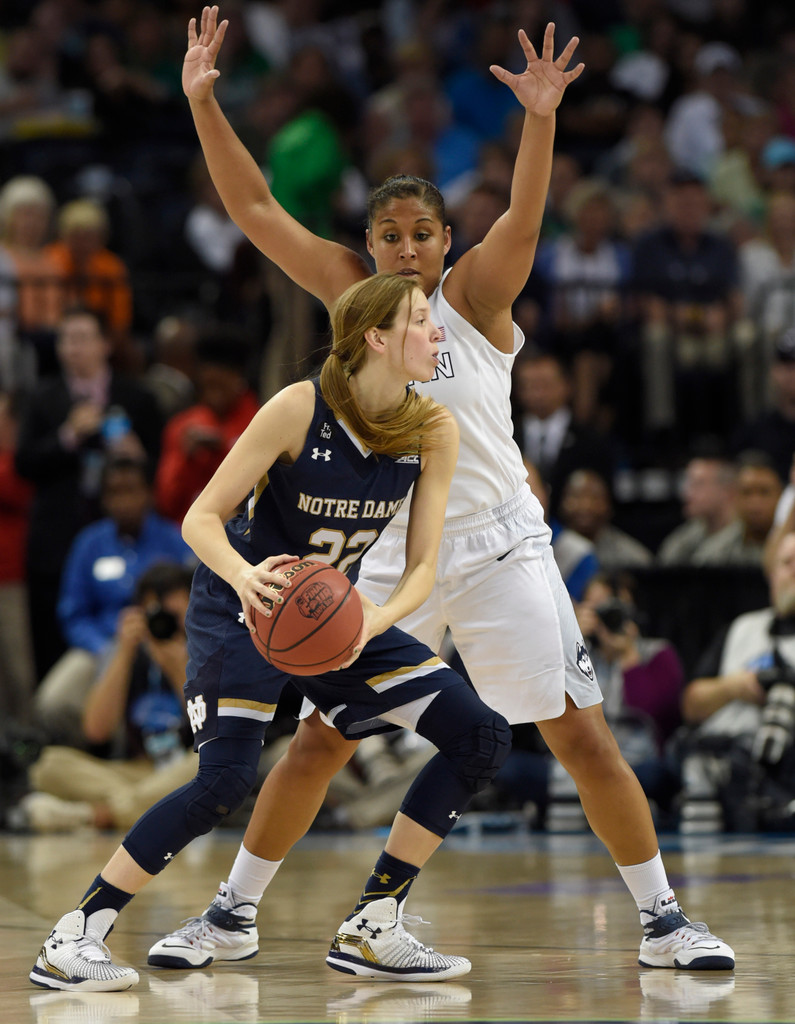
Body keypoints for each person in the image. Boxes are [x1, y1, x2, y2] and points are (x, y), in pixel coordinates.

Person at [150, 6, 733, 977]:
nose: (407, 249)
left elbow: (530, 217)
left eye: (423, 233)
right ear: (370, 243)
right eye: (390, 234)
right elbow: (255, 211)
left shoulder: (475, 298)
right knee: (323, 744)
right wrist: (204, 102)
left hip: (499, 545)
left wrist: (541, 119)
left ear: (445, 238)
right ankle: (231, 913)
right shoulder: (345, 292)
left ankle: (665, 920)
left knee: (580, 735)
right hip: (385, 553)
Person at [30, 270, 512, 991]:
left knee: (480, 733)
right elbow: (200, 517)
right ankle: (75, 935)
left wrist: (372, 620)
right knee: (223, 781)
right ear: (376, 337)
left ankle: (374, 922)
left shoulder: (430, 424)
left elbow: (421, 567)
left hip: (334, 613)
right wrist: (243, 577)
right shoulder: (297, 407)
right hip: (242, 606)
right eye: (420, 320)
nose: (437, 331)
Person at [15, 307, 163, 678]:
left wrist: (136, 456)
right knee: (52, 637)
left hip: (123, 534)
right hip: (57, 535)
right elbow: (23, 463)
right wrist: (68, 437)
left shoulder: (136, 396)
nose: (72, 348)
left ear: (105, 344)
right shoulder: (42, 396)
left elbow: (159, 463)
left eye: (81, 338)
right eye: (65, 339)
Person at [14, 562, 199, 834]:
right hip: (135, 772)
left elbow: (210, 727)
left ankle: (93, 815)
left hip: (184, 766)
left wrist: (176, 666)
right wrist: (123, 653)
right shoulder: (129, 654)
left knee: (206, 765)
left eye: (172, 615)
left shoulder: (207, 652)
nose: (163, 624)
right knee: (48, 764)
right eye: (154, 615)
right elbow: (96, 731)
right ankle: (142, 806)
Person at [33, 456, 193, 748]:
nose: (124, 501)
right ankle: (103, 755)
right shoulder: (89, 543)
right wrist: (105, 647)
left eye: (131, 490)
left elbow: (194, 601)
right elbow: (73, 613)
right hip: (105, 641)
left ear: (148, 492)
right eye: (114, 493)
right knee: (52, 701)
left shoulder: (175, 538)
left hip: (168, 638)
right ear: (103, 499)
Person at [678, 531, 795, 832]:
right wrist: (736, 687)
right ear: (771, 574)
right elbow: (691, 704)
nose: (793, 571)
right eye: (787, 563)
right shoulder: (743, 628)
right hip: (719, 749)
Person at [657, 451, 737, 566]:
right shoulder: (682, 541)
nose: (687, 493)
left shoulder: (749, 539)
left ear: (727, 491)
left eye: (698, 484)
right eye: (688, 483)